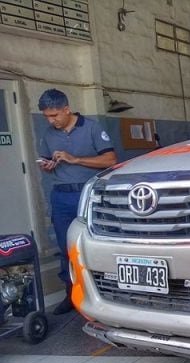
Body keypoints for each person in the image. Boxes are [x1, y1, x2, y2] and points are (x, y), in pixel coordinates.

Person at [37, 89, 117, 315]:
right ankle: (71, 294)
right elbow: (44, 158)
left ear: (66, 109)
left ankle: (108, 291)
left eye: (54, 115)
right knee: (65, 246)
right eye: (46, 116)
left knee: (96, 242)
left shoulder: (91, 127)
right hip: (61, 195)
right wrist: (47, 165)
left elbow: (110, 160)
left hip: (89, 194)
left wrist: (76, 159)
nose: (51, 120)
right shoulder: (49, 134)